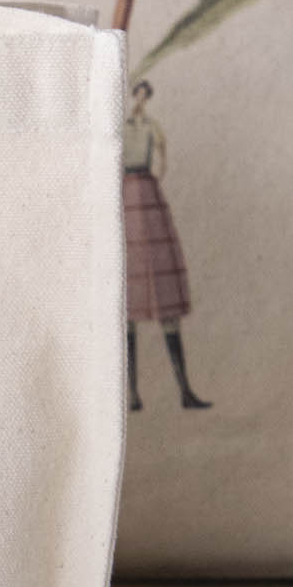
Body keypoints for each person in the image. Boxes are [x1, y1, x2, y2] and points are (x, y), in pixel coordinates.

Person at [123, 80, 210, 412]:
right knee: (127, 293)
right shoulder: (121, 125)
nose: (140, 100)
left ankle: (184, 391)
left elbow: (162, 157)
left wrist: (156, 174)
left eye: (145, 95)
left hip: (146, 195)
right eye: (138, 94)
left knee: (161, 285)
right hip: (126, 197)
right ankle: (130, 394)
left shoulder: (151, 127)